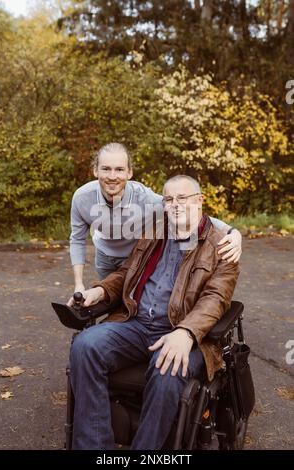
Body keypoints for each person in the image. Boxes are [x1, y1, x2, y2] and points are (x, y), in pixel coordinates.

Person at [69, 175, 240, 450]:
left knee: (168, 366)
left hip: (182, 331)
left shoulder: (221, 246)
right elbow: (127, 271)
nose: (174, 204)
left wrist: (185, 333)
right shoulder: (154, 232)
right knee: (84, 346)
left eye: (182, 198)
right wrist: (99, 291)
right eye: (169, 199)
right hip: (136, 323)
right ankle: (94, 446)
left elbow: (216, 298)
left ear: (199, 200)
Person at [68, 143, 242, 304]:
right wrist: (78, 284)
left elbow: (188, 211)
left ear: (129, 173)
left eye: (119, 169)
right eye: (106, 169)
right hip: (104, 255)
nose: (112, 176)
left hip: (134, 257)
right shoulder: (82, 198)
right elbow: (77, 239)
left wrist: (233, 232)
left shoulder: (146, 198)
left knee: (129, 301)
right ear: (95, 170)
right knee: (106, 298)